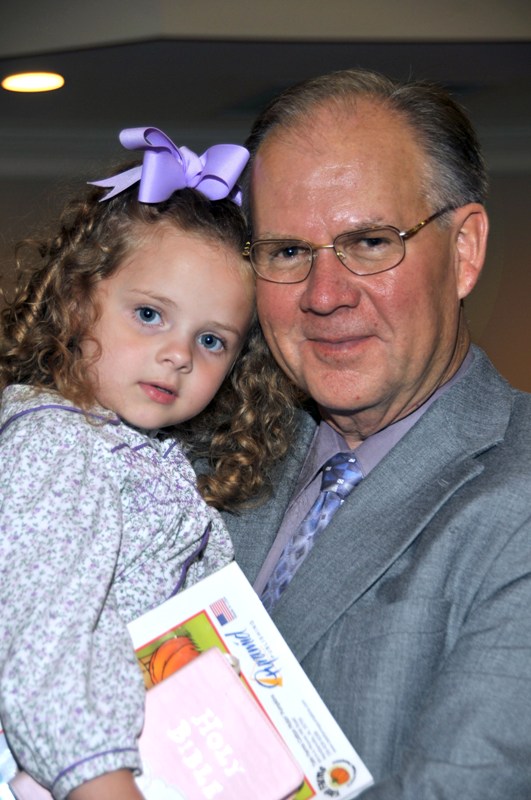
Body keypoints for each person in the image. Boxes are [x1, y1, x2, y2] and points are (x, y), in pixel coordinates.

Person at [219, 69, 531, 797]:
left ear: (464, 250)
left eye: (367, 242)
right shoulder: (203, 455)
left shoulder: (516, 499)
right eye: (287, 252)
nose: (324, 296)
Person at [0, 128, 296, 800]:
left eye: (211, 339)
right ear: (75, 300)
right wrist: (101, 783)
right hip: (73, 771)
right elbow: (46, 649)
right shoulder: (56, 445)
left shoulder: (138, 453)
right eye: (149, 314)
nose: (178, 354)